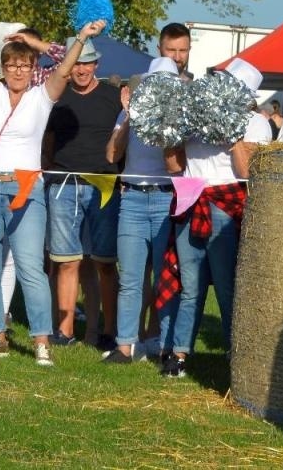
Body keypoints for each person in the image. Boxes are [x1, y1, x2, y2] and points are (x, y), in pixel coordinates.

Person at [0, 14, 104, 367]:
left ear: (32, 67)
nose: (18, 71)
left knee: (30, 268)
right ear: (4, 68)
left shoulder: (43, 96)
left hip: (26, 185)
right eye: (12, 65)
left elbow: (65, 67)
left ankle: (42, 340)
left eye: (24, 65)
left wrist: (83, 36)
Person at [163, 59, 273, 378]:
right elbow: (173, 165)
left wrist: (232, 138)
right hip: (190, 196)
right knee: (190, 285)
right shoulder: (197, 110)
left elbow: (245, 171)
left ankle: (234, 359)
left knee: (226, 288)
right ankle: (180, 354)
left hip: (226, 203)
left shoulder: (256, 123)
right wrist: (170, 128)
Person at [42, 39, 122, 349]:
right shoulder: (57, 97)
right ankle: (65, 332)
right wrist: (50, 166)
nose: (82, 69)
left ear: (96, 66)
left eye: (88, 63)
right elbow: (47, 140)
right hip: (63, 184)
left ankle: (109, 330)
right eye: (77, 63)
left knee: (104, 262)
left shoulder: (113, 97)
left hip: (104, 187)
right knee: (66, 261)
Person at [103, 64, 179, 365]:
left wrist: (162, 124)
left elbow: (175, 165)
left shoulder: (175, 119)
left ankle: (162, 342)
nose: (152, 92)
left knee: (164, 276)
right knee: (131, 277)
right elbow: (111, 154)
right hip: (132, 198)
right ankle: (125, 345)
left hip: (164, 198)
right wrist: (130, 119)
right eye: (149, 86)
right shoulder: (128, 114)